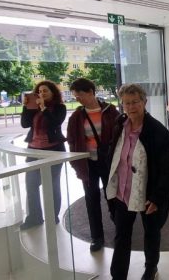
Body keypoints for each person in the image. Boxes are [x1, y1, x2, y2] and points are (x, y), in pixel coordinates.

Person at [106, 84, 169, 280]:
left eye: (135, 102)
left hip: (148, 194)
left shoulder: (157, 131)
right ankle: (118, 275)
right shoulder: (120, 125)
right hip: (122, 191)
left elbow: (167, 170)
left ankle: (150, 268)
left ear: (144, 102)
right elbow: (113, 156)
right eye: (126, 103)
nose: (131, 106)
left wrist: (157, 198)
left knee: (151, 233)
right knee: (121, 236)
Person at [66, 78, 120, 252]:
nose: (77, 98)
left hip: (108, 162)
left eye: (80, 94)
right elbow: (72, 141)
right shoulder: (76, 116)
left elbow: (121, 135)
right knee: (91, 199)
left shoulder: (111, 111)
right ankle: (97, 237)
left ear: (91, 92)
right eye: (75, 95)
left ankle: (120, 227)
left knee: (112, 196)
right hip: (87, 163)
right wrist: (76, 164)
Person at [20, 80, 67, 230]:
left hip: (54, 150)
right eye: (39, 92)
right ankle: (34, 217)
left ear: (53, 92)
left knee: (53, 185)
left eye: (45, 91)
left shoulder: (60, 107)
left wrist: (44, 108)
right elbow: (25, 124)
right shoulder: (33, 108)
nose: (41, 94)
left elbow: (55, 123)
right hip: (33, 150)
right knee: (31, 185)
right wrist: (26, 107)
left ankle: (52, 216)